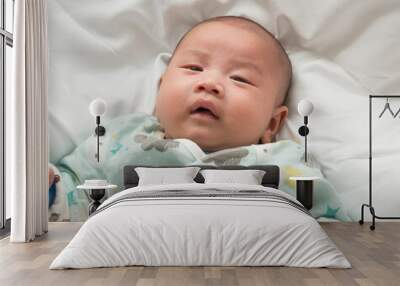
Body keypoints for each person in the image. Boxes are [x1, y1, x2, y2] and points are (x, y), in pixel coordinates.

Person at [49, 16, 349, 222]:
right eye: (194, 68)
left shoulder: (287, 162)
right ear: (159, 93)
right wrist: (49, 190)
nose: (210, 83)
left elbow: (329, 222)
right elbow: (76, 190)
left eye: (240, 78)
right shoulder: (122, 138)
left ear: (272, 124)